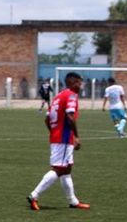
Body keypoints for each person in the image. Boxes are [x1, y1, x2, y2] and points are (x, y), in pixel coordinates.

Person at [27, 72, 90, 211]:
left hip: (57, 137)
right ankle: (34, 195)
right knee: (59, 169)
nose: (80, 85)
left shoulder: (58, 96)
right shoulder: (71, 95)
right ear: (71, 83)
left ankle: (73, 201)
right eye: (78, 82)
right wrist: (76, 136)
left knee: (66, 169)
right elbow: (70, 116)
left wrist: (54, 132)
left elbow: (46, 119)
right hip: (64, 138)